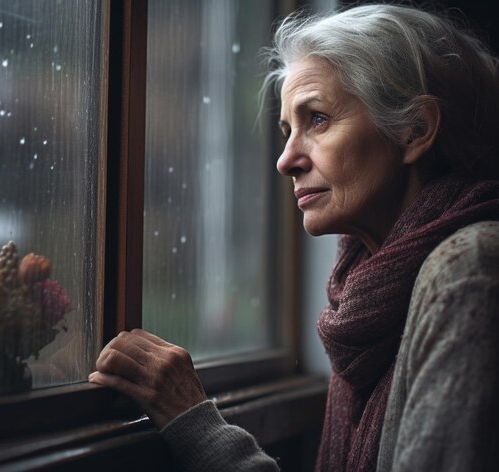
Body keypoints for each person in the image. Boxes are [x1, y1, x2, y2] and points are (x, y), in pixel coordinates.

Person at [89, 3, 499, 471]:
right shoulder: (366, 293)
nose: (286, 160)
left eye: (318, 120)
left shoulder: (469, 272)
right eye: (287, 130)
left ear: (415, 129)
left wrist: (196, 423)